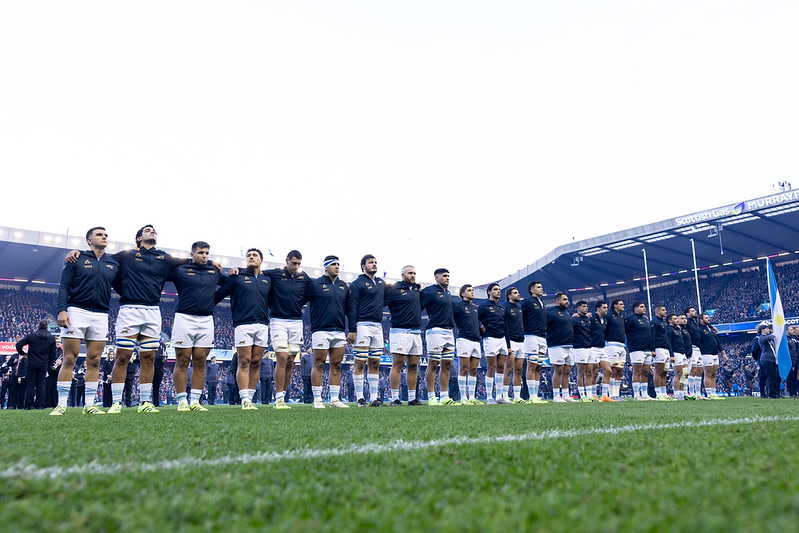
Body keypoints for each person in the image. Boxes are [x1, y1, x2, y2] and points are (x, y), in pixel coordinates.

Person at [66, 224, 190, 413]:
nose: (153, 232)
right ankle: (117, 402)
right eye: (148, 230)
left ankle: (145, 402)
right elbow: (100, 258)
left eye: (154, 230)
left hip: (153, 311)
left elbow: (188, 261)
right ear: (139, 238)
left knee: (148, 358)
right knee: (123, 357)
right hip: (129, 310)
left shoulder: (164, 257)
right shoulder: (126, 255)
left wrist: (211, 263)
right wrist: (78, 253)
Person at [53, 226, 119, 415]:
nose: (104, 236)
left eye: (106, 234)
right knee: (69, 358)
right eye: (99, 234)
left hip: (101, 314)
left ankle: (89, 405)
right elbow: (64, 286)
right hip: (76, 311)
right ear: (89, 241)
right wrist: (62, 310)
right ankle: (62, 405)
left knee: (95, 360)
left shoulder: (113, 263)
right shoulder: (77, 258)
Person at [169, 240, 227, 412]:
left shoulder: (214, 272)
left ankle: (195, 401)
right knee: (182, 360)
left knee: (200, 361)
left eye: (207, 253)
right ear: (192, 254)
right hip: (184, 318)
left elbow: (229, 283)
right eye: (201, 253)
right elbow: (164, 268)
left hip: (206, 320)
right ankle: (182, 401)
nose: (204, 256)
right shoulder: (180, 270)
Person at [215, 248, 271, 410]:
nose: (251, 257)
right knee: (244, 361)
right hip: (243, 324)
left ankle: (250, 399)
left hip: (262, 325)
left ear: (261, 261)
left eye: (254, 255)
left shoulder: (267, 280)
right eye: (248, 256)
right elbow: (218, 295)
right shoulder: (236, 277)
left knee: (256, 362)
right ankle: (244, 399)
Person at [265, 250, 311, 410]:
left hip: (297, 322)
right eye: (293, 263)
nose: (296, 266)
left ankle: (282, 397)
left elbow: (315, 289)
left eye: (298, 263)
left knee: (291, 361)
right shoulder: (276, 274)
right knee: (282, 358)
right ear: (286, 261)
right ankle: (278, 398)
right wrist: (239, 270)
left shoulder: (303, 277)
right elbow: (256, 271)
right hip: (278, 320)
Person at [303, 255, 350, 408]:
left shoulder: (343, 286)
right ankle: (317, 399)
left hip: (339, 330)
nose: (337, 267)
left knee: (336, 364)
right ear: (326, 267)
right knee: (319, 363)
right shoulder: (314, 284)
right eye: (334, 264)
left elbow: (349, 309)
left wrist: (353, 329)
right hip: (321, 330)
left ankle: (335, 400)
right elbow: (300, 300)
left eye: (338, 264)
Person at [347, 254, 387, 406]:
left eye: (376, 262)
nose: (374, 264)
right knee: (360, 362)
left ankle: (374, 398)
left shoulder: (381, 283)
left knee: (375, 362)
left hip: (377, 326)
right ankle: (360, 399)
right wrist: (352, 329)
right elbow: (351, 307)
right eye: (371, 262)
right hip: (362, 324)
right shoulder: (357, 283)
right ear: (363, 266)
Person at [385, 265, 423, 406]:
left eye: (414, 273)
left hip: (416, 332)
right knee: (398, 364)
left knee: (413, 366)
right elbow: (380, 302)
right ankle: (394, 398)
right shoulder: (394, 289)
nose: (412, 275)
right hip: (399, 331)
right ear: (402, 275)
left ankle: (412, 398)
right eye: (410, 273)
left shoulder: (416, 290)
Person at [420, 268, 457, 406]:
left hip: (449, 332)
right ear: (436, 277)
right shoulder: (429, 291)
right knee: (433, 363)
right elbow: (418, 305)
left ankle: (444, 396)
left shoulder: (447, 293)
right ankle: (431, 397)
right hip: (435, 331)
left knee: (447, 364)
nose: (447, 278)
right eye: (444, 276)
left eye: (448, 276)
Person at [16, 319, 57, 410]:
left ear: (38, 326)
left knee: (30, 385)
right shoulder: (51, 338)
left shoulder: (32, 336)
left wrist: (23, 353)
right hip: (43, 364)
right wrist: (49, 363)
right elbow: (53, 353)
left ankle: (29, 405)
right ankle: (40, 405)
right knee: (41, 384)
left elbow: (18, 344)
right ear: (47, 327)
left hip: (31, 363)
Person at [478, 283, 508, 404]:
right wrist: (481, 327)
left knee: (501, 367)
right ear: (489, 292)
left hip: (502, 339)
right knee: (491, 367)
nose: (498, 291)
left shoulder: (502, 308)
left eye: (499, 289)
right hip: (490, 338)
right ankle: (489, 397)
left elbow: (506, 326)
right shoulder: (483, 306)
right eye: (495, 289)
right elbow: (476, 319)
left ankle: (499, 397)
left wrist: (508, 344)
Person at [454, 284, 482, 405]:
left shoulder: (476, 308)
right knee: (464, 368)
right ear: (462, 294)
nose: (472, 292)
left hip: (476, 341)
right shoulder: (458, 306)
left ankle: (472, 397)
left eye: (472, 290)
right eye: (469, 290)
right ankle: (463, 398)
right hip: (464, 339)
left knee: (474, 369)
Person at [521, 281, 547, 403]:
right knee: (531, 365)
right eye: (538, 287)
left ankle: (535, 395)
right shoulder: (527, 302)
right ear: (532, 290)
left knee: (538, 366)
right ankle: (531, 396)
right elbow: (519, 315)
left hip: (542, 337)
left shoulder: (542, 303)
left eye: (541, 287)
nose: (541, 289)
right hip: (531, 336)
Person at [547, 292, 576, 402]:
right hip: (556, 345)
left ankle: (566, 395)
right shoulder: (551, 312)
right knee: (558, 370)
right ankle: (555, 396)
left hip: (569, 345)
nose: (567, 301)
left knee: (567, 370)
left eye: (567, 299)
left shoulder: (567, 313)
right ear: (558, 301)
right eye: (564, 299)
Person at [501, 287, 526, 403]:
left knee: (519, 370)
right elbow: (503, 325)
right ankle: (504, 395)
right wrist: (507, 344)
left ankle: (517, 396)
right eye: (515, 293)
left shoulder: (520, 307)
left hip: (521, 341)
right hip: (511, 341)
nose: (518, 294)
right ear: (509, 296)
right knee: (508, 369)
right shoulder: (505, 307)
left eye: (518, 292)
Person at [625, 302, 654, 401]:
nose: (644, 308)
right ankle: (636, 394)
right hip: (636, 349)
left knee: (645, 372)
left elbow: (650, 335)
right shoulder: (631, 319)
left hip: (647, 349)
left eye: (644, 306)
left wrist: (652, 348)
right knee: (637, 371)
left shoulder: (646, 319)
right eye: (641, 307)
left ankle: (645, 394)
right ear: (635, 308)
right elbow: (625, 331)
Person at [699, 312, 727, 399]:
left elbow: (718, 343)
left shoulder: (711, 329)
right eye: (706, 318)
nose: (708, 319)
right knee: (708, 373)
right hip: (706, 354)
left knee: (714, 374)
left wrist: (723, 353)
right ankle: (709, 393)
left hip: (715, 354)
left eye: (708, 317)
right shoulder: (699, 329)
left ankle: (714, 392)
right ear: (701, 320)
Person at [604, 299, 627, 400]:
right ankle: (611, 395)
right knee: (612, 369)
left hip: (622, 346)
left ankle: (616, 394)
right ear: (615, 306)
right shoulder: (608, 315)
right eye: (621, 304)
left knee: (619, 371)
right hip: (611, 345)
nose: (623, 305)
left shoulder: (621, 317)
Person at [572, 300, 593, 401]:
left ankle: (589, 395)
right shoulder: (575, 319)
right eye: (583, 306)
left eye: (587, 306)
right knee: (581, 372)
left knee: (589, 372)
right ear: (578, 308)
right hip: (579, 348)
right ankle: (582, 394)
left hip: (589, 347)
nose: (586, 308)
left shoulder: (588, 319)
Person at [651, 305, 673, 400]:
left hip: (666, 349)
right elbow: (652, 336)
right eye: (663, 310)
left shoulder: (663, 323)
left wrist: (671, 353)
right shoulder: (654, 322)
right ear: (657, 312)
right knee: (658, 371)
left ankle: (664, 393)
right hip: (658, 349)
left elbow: (667, 338)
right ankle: (658, 393)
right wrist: (652, 349)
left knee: (664, 372)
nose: (665, 311)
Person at [684, 307, 704, 400]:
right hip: (691, 348)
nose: (695, 311)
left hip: (698, 348)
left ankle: (698, 393)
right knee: (692, 370)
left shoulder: (695, 323)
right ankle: (690, 392)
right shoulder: (687, 322)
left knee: (699, 371)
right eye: (692, 311)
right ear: (687, 314)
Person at [589, 301, 608, 401]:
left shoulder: (605, 319)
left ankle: (604, 395)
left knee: (608, 371)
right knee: (594, 372)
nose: (606, 309)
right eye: (604, 307)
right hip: (593, 348)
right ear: (598, 309)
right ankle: (593, 394)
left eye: (606, 307)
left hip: (603, 348)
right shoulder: (591, 318)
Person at [757, 321, 780, 398]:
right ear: (762, 330)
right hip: (767, 359)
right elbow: (768, 337)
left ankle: (774, 393)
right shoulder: (761, 338)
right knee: (770, 377)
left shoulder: (766, 338)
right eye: (767, 328)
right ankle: (771, 394)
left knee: (773, 376)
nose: (768, 330)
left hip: (771, 359)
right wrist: (776, 332)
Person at [667, 314, 687, 400]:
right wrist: (671, 354)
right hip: (676, 353)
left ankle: (682, 392)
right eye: (675, 319)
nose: (677, 320)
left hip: (683, 353)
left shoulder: (678, 329)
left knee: (685, 374)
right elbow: (668, 342)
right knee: (678, 373)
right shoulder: (669, 329)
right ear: (669, 321)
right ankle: (676, 393)